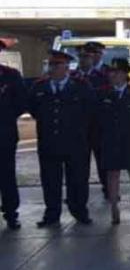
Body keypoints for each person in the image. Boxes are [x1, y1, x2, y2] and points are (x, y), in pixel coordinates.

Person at [29, 50, 96, 227]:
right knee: (50, 180)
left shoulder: (81, 86)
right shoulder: (39, 87)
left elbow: (90, 110)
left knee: (78, 179)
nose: (52, 68)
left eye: (56, 65)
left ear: (66, 67)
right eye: (50, 65)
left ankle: (80, 211)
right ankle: (52, 214)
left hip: (75, 142)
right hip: (49, 142)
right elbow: (34, 110)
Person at [96, 58, 130, 225]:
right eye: (111, 72)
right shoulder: (102, 93)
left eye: (117, 72)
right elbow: (98, 118)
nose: (113, 75)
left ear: (125, 74)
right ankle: (114, 209)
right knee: (112, 174)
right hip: (110, 139)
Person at [74, 43, 109, 199]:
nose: (85, 60)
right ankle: (80, 194)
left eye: (87, 56)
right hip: (78, 127)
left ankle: (108, 189)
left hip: (99, 126)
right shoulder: (73, 76)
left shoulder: (103, 76)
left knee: (103, 161)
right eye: (81, 57)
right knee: (80, 164)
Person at [0, 40, 25, 230]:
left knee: (7, 175)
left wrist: (5, 117)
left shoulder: (11, 75)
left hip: (4, 133)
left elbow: (19, 103)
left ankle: (11, 213)